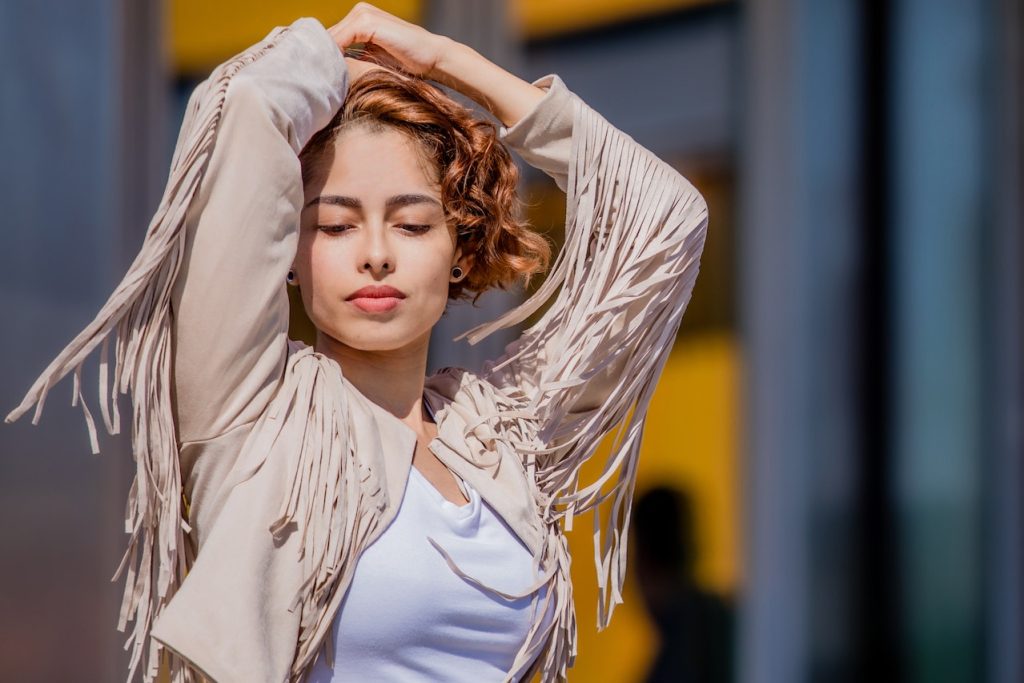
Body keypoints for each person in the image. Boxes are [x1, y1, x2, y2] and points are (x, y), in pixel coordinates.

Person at [4, 3, 710, 682]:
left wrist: (447, 61)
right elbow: (251, 108)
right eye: (335, 226)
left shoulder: (505, 438)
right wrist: (331, 55)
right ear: (287, 250)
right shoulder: (256, 418)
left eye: (411, 224)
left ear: (459, 250)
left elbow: (667, 219)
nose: (375, 253)